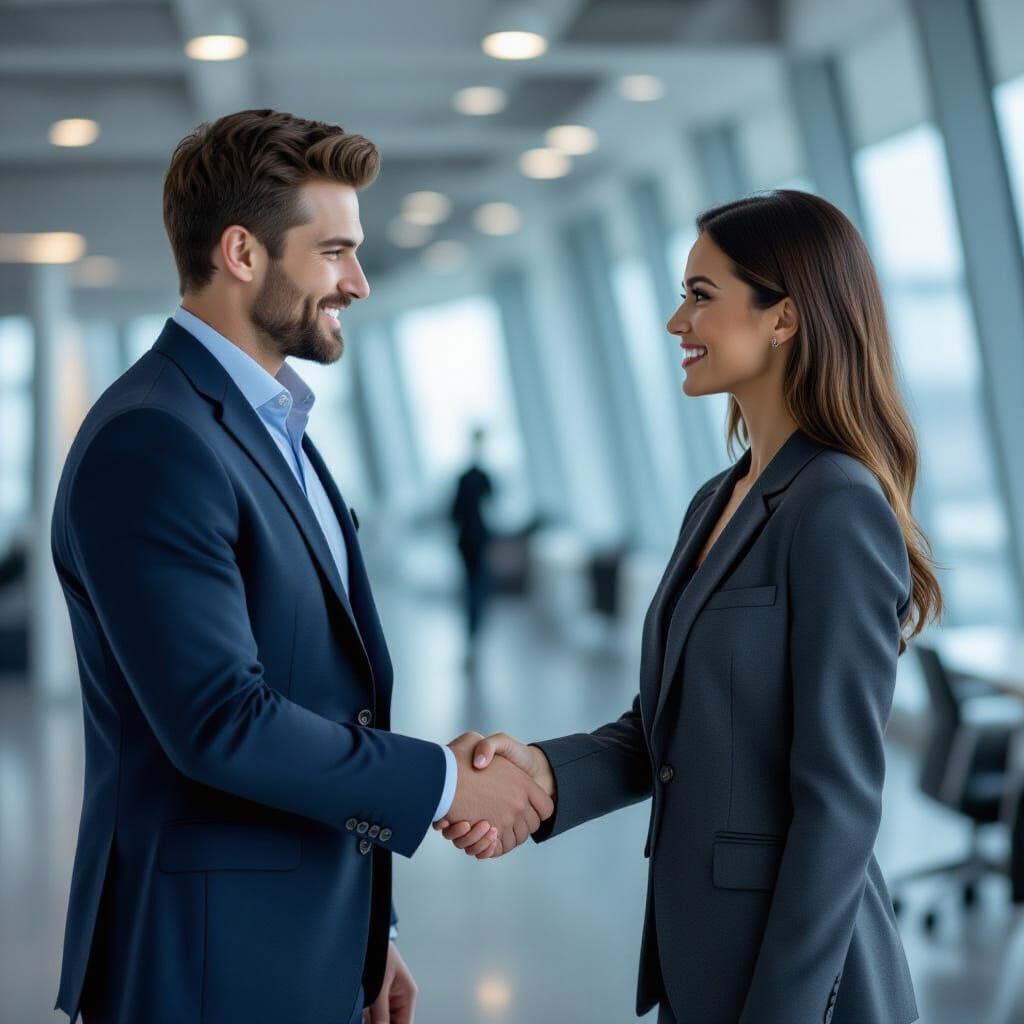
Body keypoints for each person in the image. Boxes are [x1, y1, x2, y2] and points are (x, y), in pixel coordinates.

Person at [50, 109, 553, 1024]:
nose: (358, 281)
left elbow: (316, 694)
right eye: (334, 252)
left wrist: (369, 929)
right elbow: (221, 721)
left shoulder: (270, 425)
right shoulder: (154, 439)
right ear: (242, 252)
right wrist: (445, 782)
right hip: (207, 961)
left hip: (300, 932)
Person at [437, 190, 943, 1024]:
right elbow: (672, 731)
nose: (678, 322)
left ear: (784, 318)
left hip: (797, 981)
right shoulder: (718, 499)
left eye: (701, 296)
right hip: (700, 958)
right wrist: (543, 773)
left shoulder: (837, 506)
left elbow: (840, 804)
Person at [450, 427, 494, 661]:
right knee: (477, 586)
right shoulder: (484, 478)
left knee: (470, 585)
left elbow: (454, 512)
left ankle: (472, 631)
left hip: (466, 539)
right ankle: (475, 631)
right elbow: (492, 508)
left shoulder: (464, 478)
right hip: (479, 538)